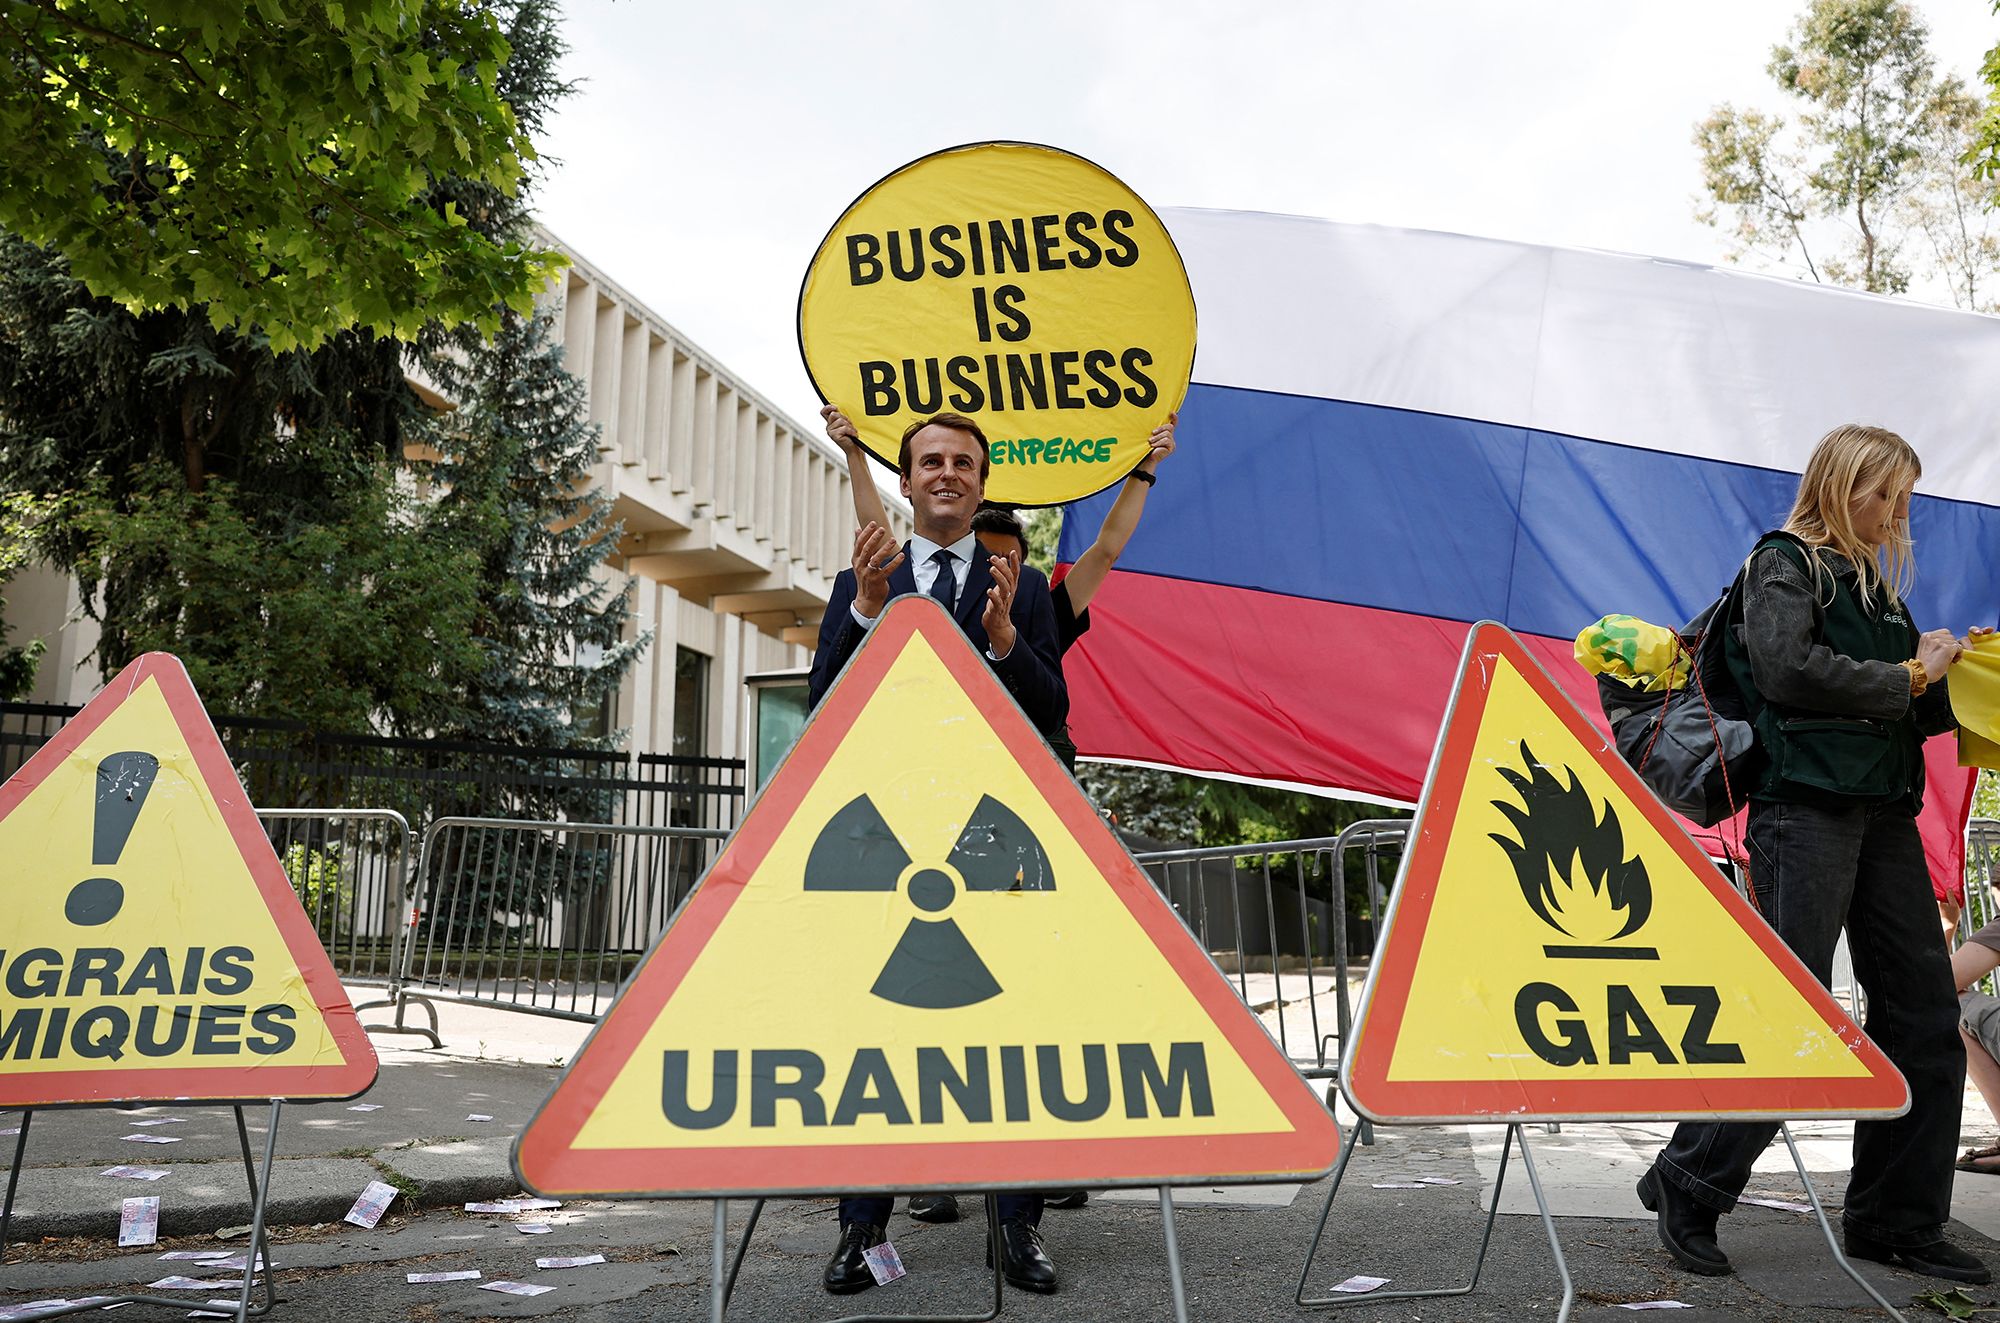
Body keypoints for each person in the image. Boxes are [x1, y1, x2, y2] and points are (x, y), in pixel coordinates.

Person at [1638, 423, 1990, 1284]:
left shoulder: (1875, 586)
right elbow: (1788, 670)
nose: (1897, 511)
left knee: (1922, 1016)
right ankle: (1688, 1179)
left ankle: (1895, 1218)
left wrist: (1958, 673)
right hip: (1802, 810)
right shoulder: (1782, 561)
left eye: (1905, 496)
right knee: (1794, 1007)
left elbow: (1905, 712)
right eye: (1885, 493)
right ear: (1843, 483)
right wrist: (1911, 674)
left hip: (1882, 812)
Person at [806, 410, 1065, 1296]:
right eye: (930, 462)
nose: (946, 473)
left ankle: (1018, 1227)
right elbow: (822, 709)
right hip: (892, 843)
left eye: (963, 462)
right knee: (881, 1029)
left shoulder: (1018, 585)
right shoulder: (863, 578)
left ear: (981, 484)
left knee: (1012, 1032)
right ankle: (860, 1228)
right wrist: (870, 613)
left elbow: (1054, 716)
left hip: (995, 847)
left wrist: (1004, 642)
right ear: (908, 483)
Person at [826, 403, 1177, 767]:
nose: (991, 574)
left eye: (1005, 564)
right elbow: (881, 540)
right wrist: (855, 453)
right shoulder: (878, 583)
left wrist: (1144, 470)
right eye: (985, 556)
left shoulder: (1030, 598)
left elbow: (1105, 551)